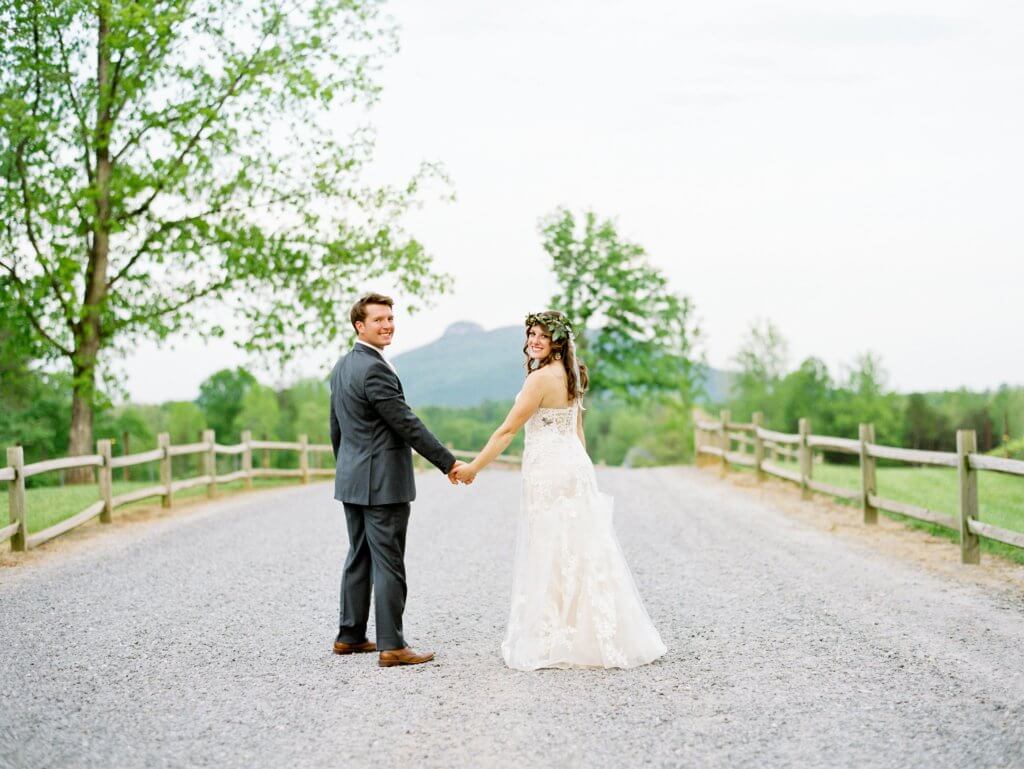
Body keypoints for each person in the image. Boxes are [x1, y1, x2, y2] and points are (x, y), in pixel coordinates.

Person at [453, 311, 666, 670]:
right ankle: (590, 632)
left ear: (557, 341)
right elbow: (577, 430)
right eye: (530, 335)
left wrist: (474, 467)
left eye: (541, 335)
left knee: (553, 547)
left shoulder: (539, 380)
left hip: (551, 470)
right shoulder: (574, 374)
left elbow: (506, 431)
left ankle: (558, 635)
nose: (533, 341)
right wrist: (585, 469)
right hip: (574, 465)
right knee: (581, 546)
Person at [329, 292, 466, 668]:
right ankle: (392, 645)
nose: (387, 325)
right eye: (379, 320)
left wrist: (346, 469)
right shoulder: (374, 369)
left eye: (390, 318)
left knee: (358, 556)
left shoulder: (342, 367)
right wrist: (448, 462)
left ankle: (350, 636)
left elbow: (336, 429)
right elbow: (405, 423)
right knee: (388, 561)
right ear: (360, 325)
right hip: (382, 483)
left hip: (353, 479)